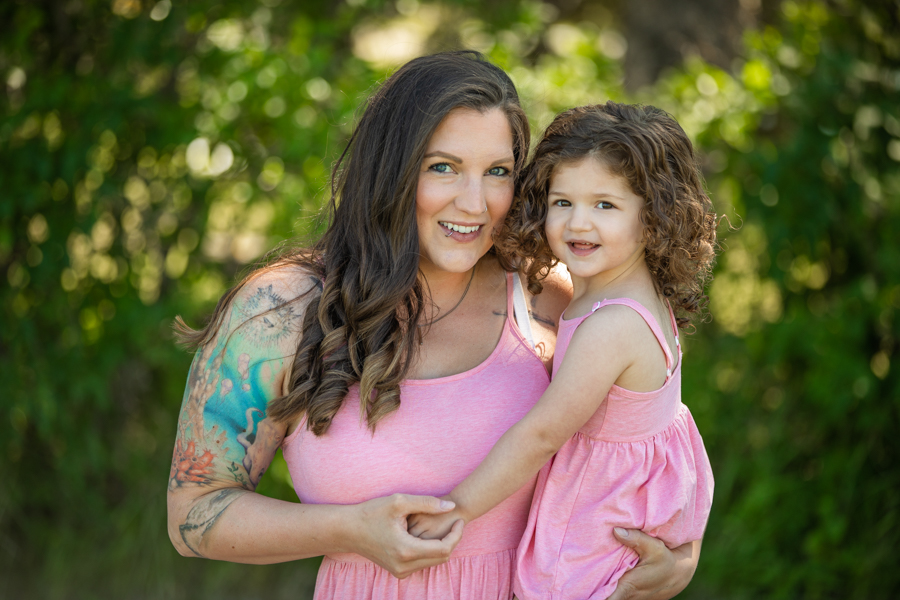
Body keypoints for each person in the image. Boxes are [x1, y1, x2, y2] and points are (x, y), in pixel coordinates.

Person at [167, 52, 702, 599]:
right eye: (442, 166)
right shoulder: (280, 311)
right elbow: (193, 514)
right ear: (392, 170)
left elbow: (649, 431)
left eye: (497, 172)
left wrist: (677, 558)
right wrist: (350, 530)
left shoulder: (552, 294)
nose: (474, 204)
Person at [408, 101, 717, 599]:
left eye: (605, 205)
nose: (578, 224)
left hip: (596, 527)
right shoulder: (617, 287)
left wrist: (458, 508)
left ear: (653, 216)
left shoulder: (612, 326)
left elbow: (542, 434)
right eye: (563, 202)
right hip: (629, 506)